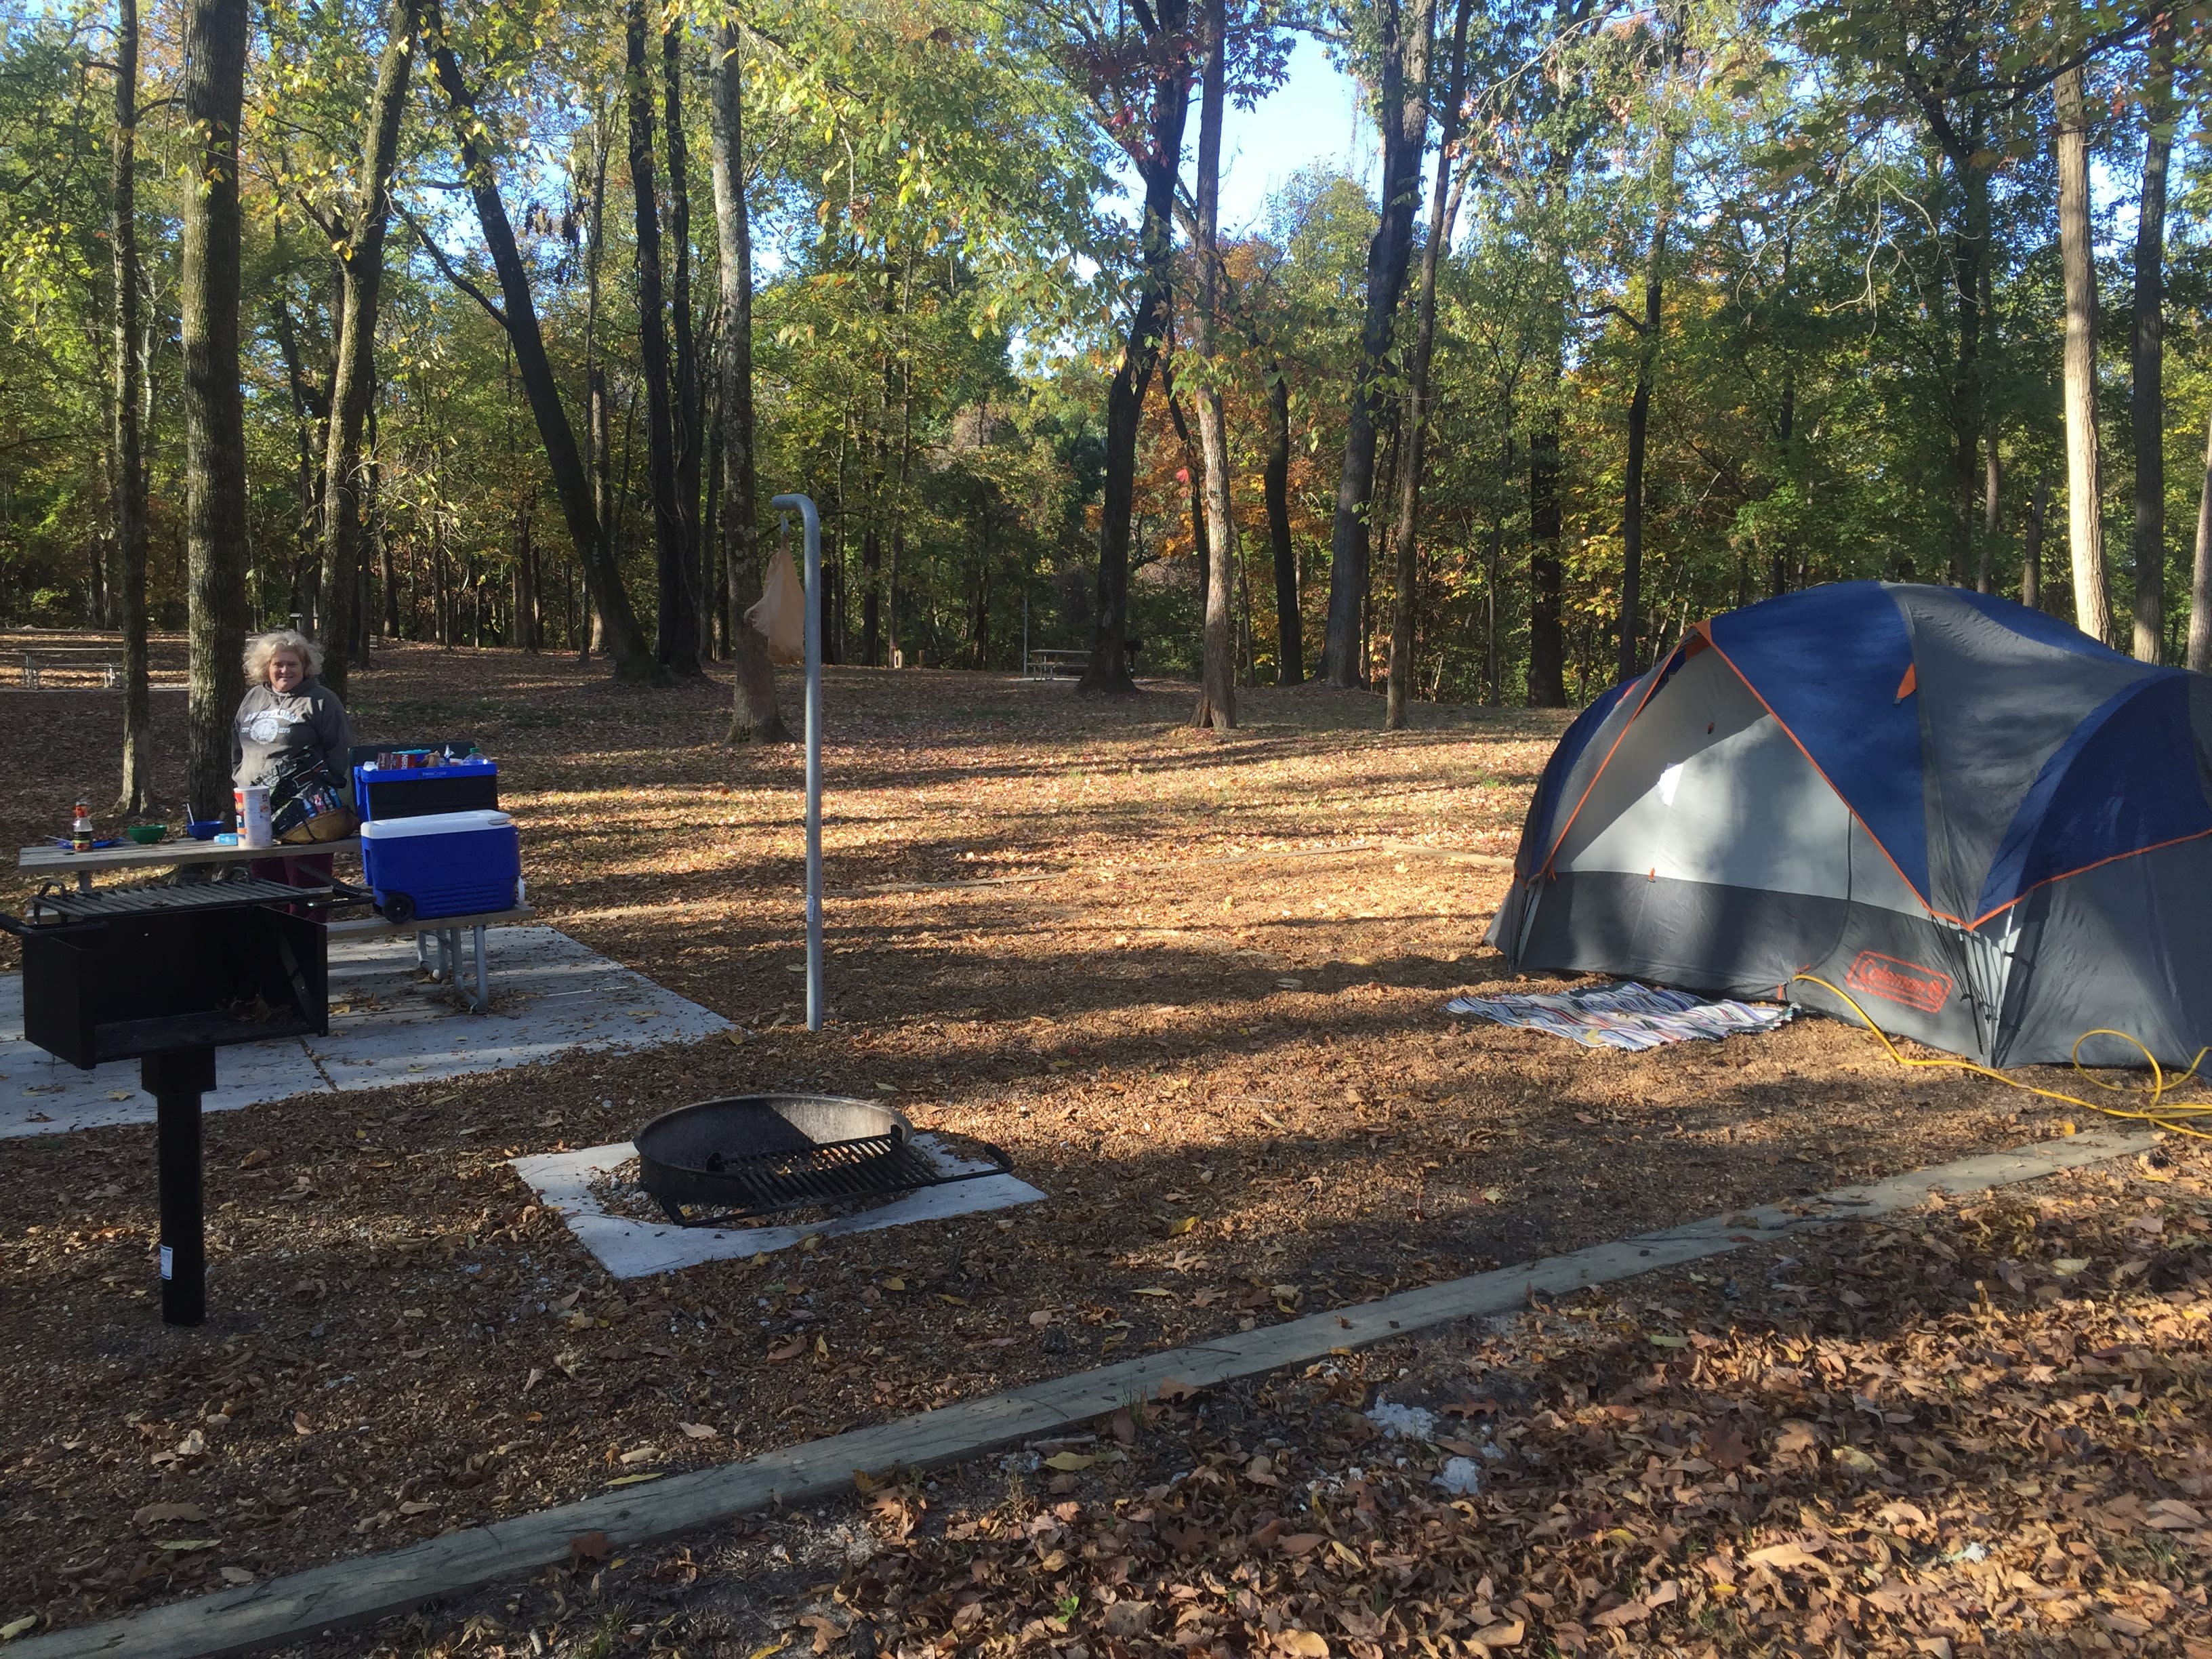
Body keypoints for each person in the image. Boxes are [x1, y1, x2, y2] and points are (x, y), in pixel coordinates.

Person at [233, 628, 356, 890]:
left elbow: (341, 754)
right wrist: (240, 777)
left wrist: (326, 798)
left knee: (307, 890)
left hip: (306, 812)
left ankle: (308, 932)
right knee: (266, 890)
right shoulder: (253, 698)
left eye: (293, 664)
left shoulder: (321, 700)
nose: (285, 671)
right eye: (278, 664)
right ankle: (275, 933)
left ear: (306, 667)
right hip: (255, 809)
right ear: (267, 666)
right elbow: (237, 746)